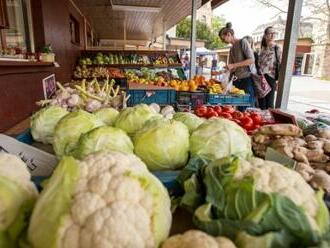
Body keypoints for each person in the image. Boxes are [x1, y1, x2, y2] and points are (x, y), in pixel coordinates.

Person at [219, 22, 256, 108]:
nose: (223, 41)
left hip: (246, 79)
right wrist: (222, 72)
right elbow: (231, 67)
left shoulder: (243, 42)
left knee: (246, 107)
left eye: (223, 39)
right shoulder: (231, 49)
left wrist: (234, 65)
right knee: (238, 108)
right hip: (236, 80)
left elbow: (251, 60)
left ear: (229, 34)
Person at [258, 26, 282, 109]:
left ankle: (270, 120)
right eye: (270, 33)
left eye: (274, 33)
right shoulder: (263, 49)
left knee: (269, 103)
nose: (273, 35)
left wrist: (280, 81)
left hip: (271, 77)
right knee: (261, 102)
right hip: (261, 78)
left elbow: (281, 64)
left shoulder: (277, 48)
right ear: (265, 35)